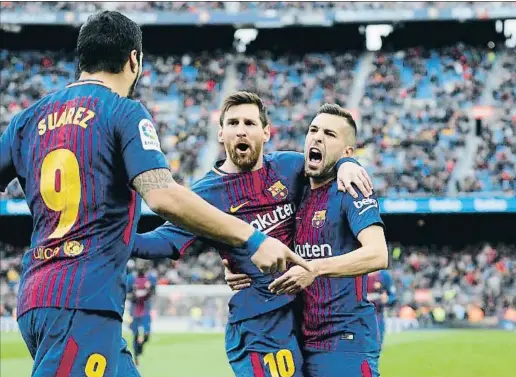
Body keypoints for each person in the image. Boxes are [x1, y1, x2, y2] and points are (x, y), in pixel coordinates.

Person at [0, 12, 308, 377]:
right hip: (83, 303)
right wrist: (253, 238)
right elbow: (161, 196)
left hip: (37, 295)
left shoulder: (25, 119)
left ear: (82, 58)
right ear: (134, 60)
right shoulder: (123, 112)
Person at [131, 92, 373, 376]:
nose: (241, 129)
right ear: (221, 133)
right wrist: (114, 237)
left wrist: (348, 164)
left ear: (266, 132)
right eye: (233, 123)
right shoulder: (204, 194)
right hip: (259, 327)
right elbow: (164, 242)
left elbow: (327, 161)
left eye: (249, 122)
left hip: (302, 318)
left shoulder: (289, 167)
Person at [234, 103, 388, 377]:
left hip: (344, 341)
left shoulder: (350, 189)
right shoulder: (297, 191)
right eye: (313, 129)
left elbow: (378, 254)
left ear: (347, 151)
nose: (317, 137)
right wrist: (235, 263)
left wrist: (314, 268)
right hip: (299, 342)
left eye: (330, 134)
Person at [126, 263, 157, 366]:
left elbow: (154, 292)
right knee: (135, 334)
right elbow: (127, 294)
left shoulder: (150, 278)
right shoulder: (131, 279)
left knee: (147, 333)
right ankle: (136, 356)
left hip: (145, 309)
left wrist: (149, 289)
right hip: (134, 310)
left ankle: (141, 346)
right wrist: (134, 294)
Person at [367, 270, 396, 344]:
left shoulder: (384, 275)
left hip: (377, 314)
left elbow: (392, 296)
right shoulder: (358, 272)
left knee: (376, 344)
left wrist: (387, 299)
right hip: (358, 316)